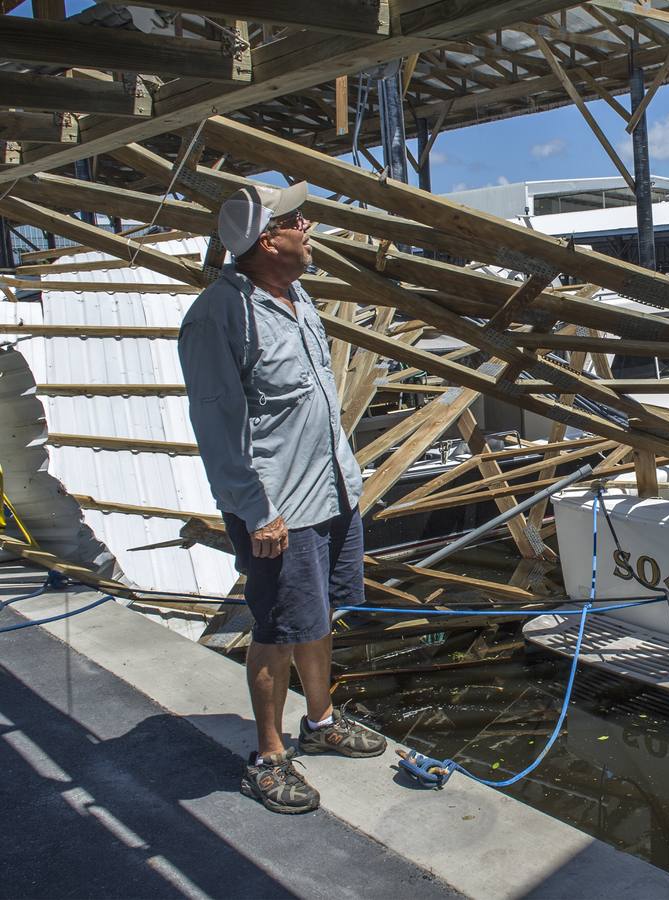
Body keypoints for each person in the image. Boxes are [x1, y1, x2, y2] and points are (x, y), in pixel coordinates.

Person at [180, 183, 385, 815]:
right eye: (299, 220)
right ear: (268, 240)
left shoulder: (296, 297)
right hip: (279, 509)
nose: (311, 225)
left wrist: (348, 483)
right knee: (273, 626)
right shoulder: (217, 315)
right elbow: (216, 425)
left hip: (330, 490)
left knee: (317, 616)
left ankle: (319, 723)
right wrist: (255, 508)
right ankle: (268, 756)